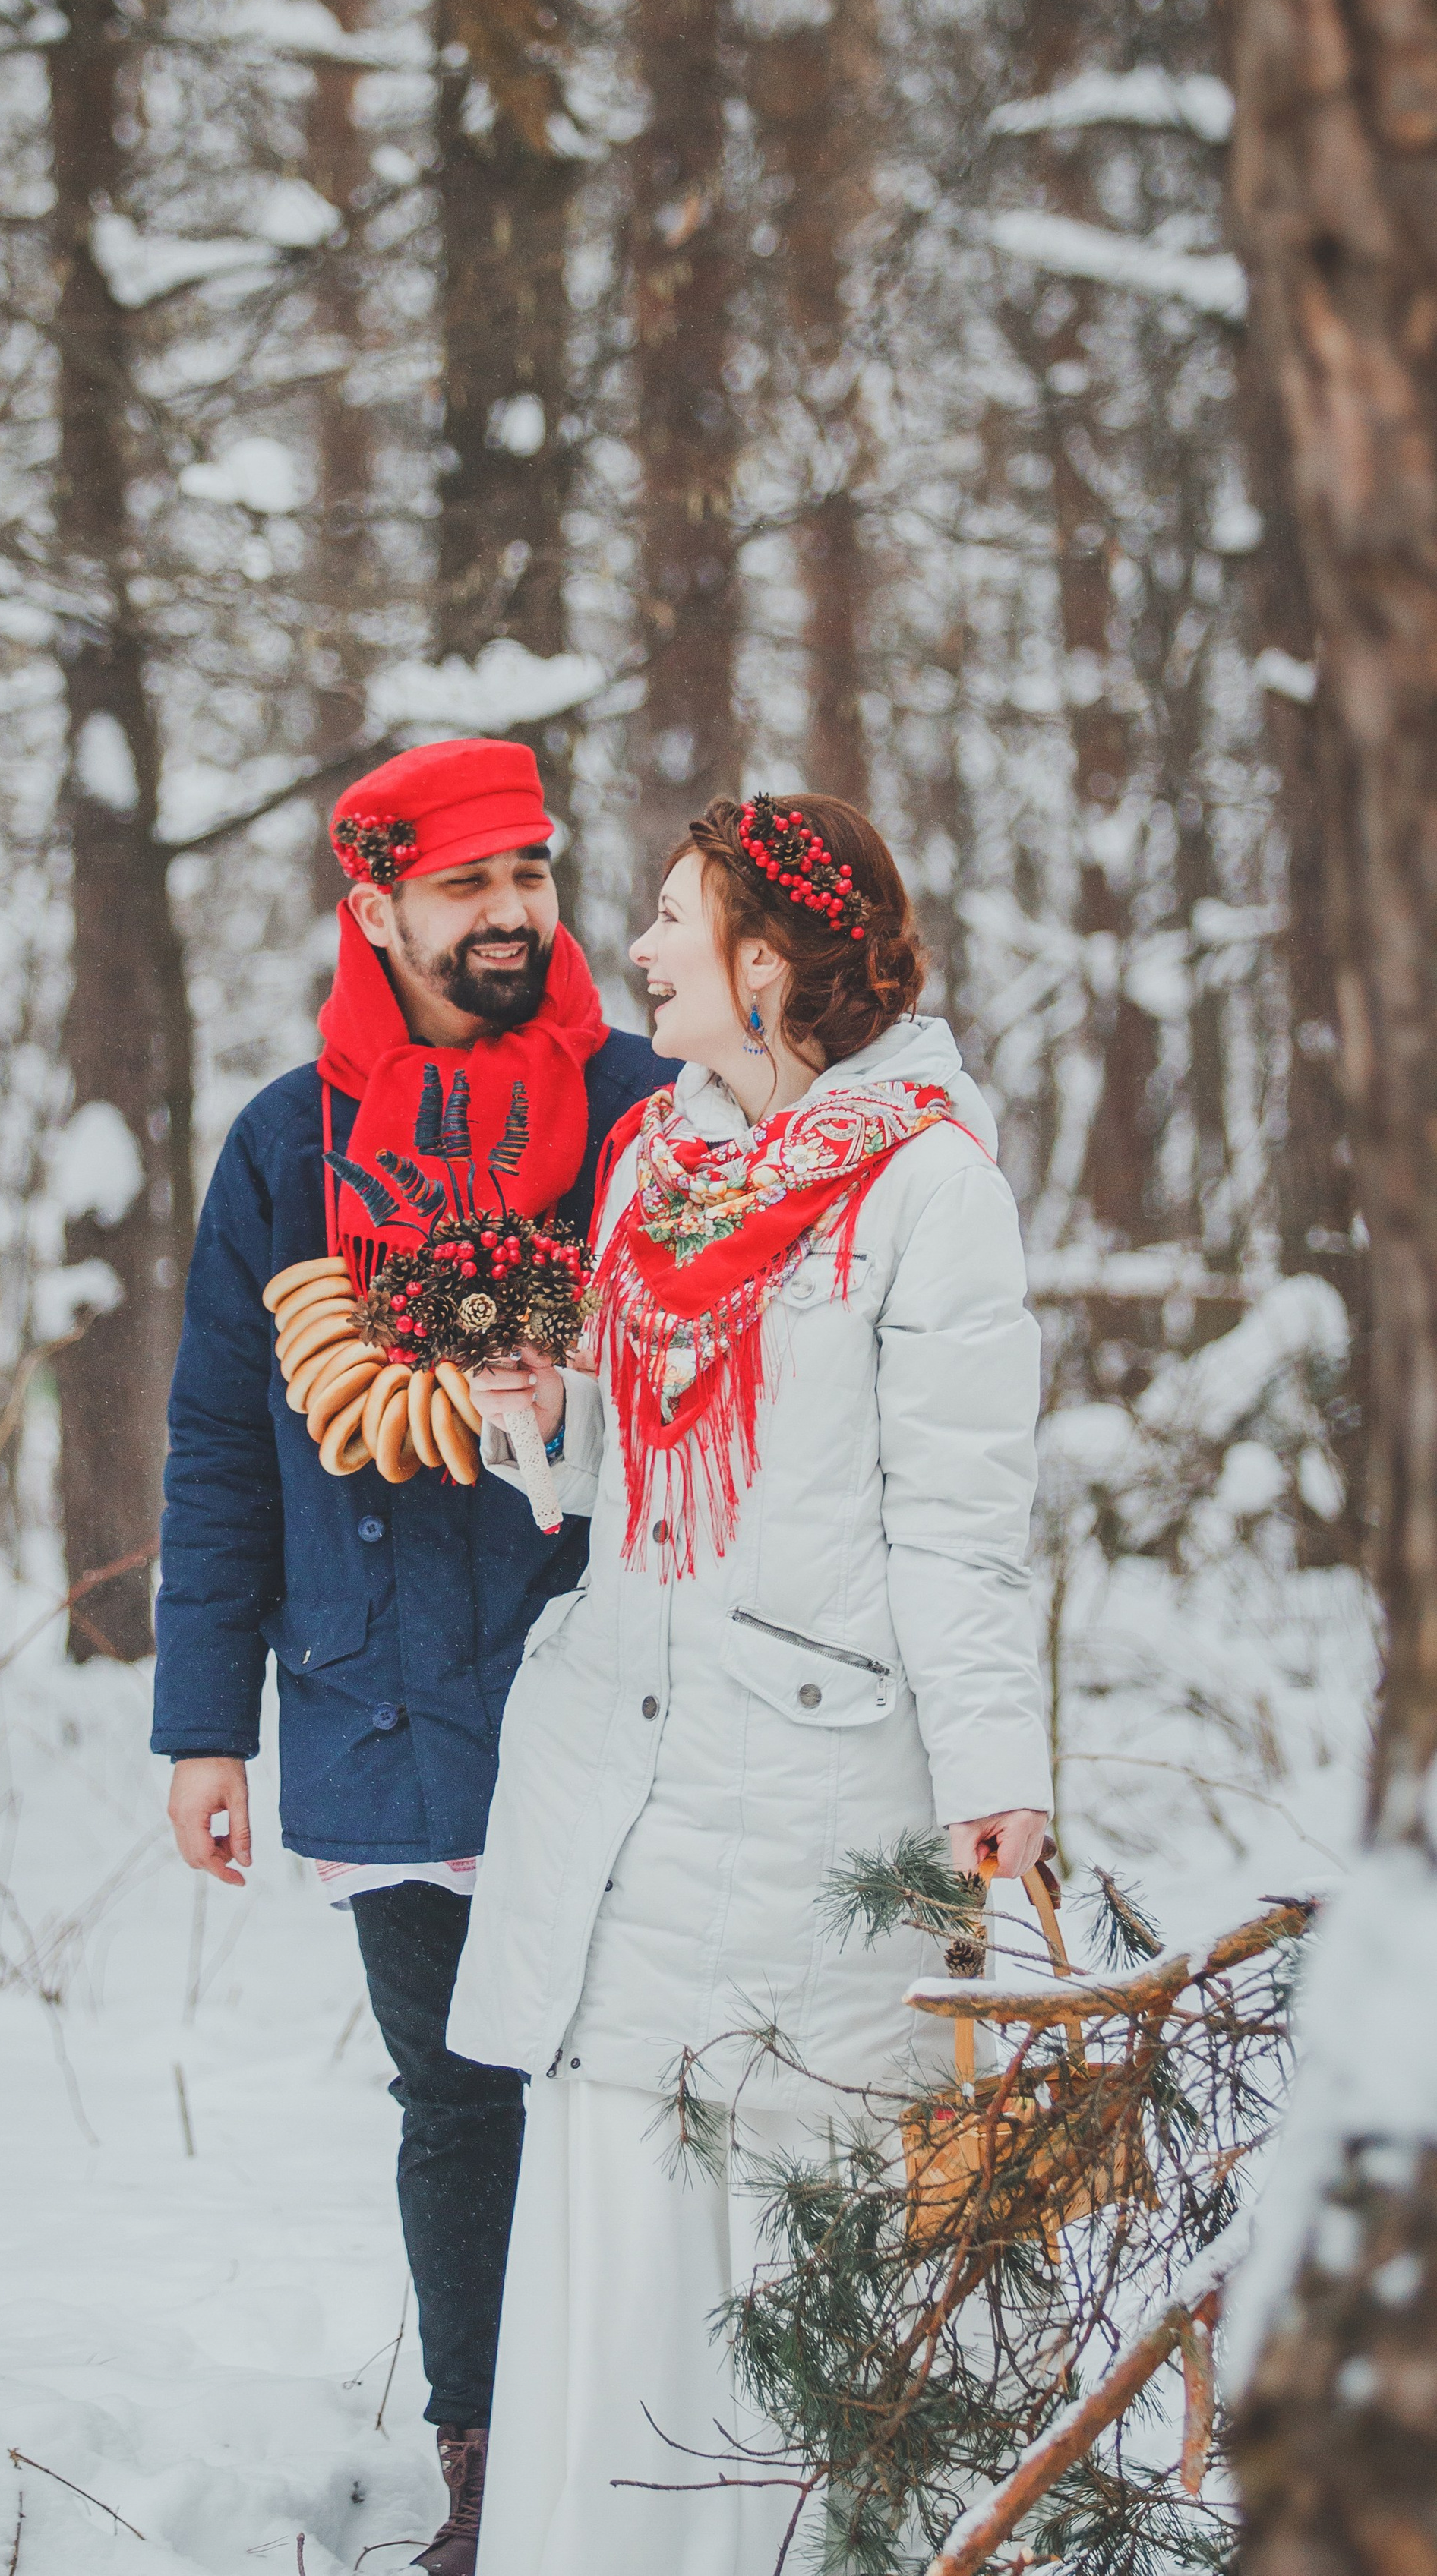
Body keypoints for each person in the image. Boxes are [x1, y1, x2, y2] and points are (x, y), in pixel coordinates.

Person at [448, 792, 1053, 2576]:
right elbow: (624, 1473)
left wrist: (993, 1778)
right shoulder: (653, 1157)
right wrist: (538, 1417)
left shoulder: (928, 1186)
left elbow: (959, 1525)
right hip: (618, 1786)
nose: (633, 950)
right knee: (619, 2201)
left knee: (783, 2228)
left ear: (767, 962)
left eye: (669, 919)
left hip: (807, 1805)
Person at [152, 736, 673, 2576]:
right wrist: (202, 1726)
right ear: (374, 908)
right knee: (456, 2104)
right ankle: (487, 2463)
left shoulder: (646, 1107)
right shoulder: (286, 1146)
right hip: (378, 1685)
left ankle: (645, 2450)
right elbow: (220, 1440)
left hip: (612, 1676)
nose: (512, 913)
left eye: (529, 873)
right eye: (468, 885)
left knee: (631, 2086)